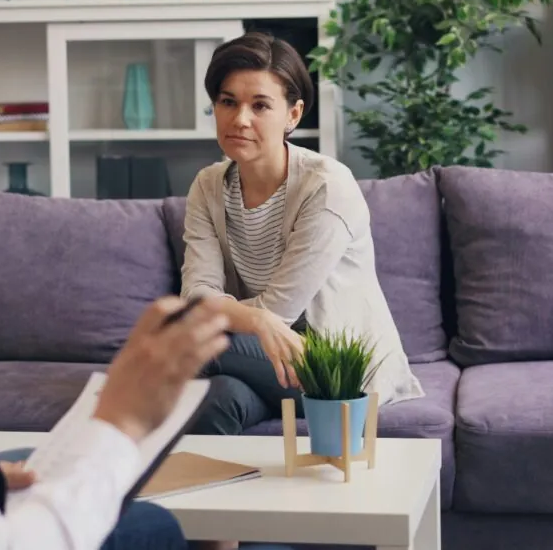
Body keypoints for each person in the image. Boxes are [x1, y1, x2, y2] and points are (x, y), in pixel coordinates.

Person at [0, 154, 283, 550]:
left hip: (282, 341)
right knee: (155, 524)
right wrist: (119, 422)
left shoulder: (321, 187)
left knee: (225, 382)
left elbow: (286, 302)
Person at [180, 32, 425, 436]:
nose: (240, 119)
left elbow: (277, 312)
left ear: (293, 115)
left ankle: (117, 409)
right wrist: (253, 320)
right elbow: (198, 293)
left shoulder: (327, 187)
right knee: (218, 399)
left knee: (185, 339)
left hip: (333, 366)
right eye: (228, 102)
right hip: (261, 356)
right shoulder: (208, 186)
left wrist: (247, 318)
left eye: (260, 105)